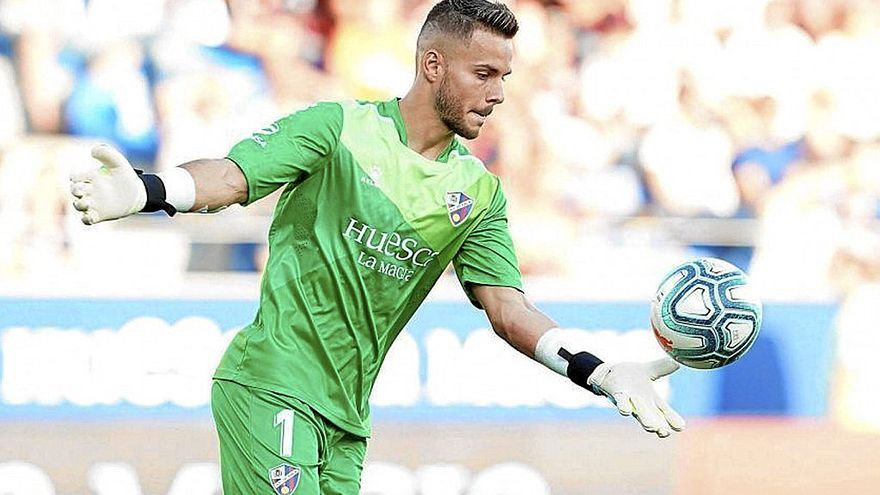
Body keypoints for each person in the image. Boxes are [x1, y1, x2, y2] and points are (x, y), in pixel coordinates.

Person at [69, 1, 684, 493]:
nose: (497, 94)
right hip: (271, 386)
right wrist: (151, 189)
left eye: (505, 77)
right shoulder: (337, 129)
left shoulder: (479, 192)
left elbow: (509, 311)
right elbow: (232, 177)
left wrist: (599, 371)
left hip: (346, 421)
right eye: (484, 74)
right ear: (433, 65)